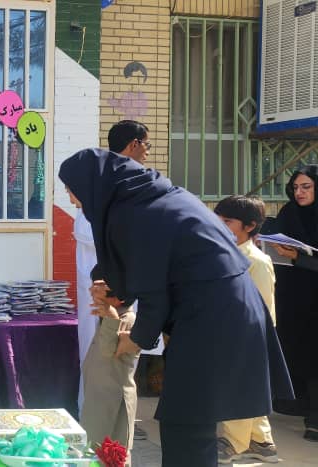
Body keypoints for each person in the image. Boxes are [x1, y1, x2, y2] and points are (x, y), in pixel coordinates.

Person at [59, 148, 291, 466]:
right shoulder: (151, 199)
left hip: (214, 316)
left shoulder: (138, 213)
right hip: (221, 308)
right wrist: (115, 290)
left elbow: (154, 291)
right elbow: (145, 265)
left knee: (186, 423)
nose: (73, 200)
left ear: (93, 185)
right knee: (189, 421)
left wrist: (135, 339)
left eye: (72, 190)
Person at [74, 119, 150, 437]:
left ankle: (120, 420)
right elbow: (86, 229)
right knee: (100, 355)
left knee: (124, 355)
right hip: (103, 290)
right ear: (133, 144)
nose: (147, 151)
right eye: (146, 145)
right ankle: (93, 420)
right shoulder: (104, 182)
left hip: (126, 287)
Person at [214, 195, 280, 462]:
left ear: (250, 226)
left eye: (228, 221)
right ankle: (262, 441)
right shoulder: (225, 253)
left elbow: (262, 307)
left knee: (238, 389)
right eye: (218, 220)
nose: (220, 226)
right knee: (250, 389)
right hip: (228, 331)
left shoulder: (258, 262)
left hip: (247, 336)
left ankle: (234, 443)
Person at [268, 165, 318, 442]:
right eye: (295, 188)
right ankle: (298, 405)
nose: (299, 192)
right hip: (293, 298)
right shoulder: (289, 212)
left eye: (306, 187)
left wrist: (299, 258)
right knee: (297, 352)